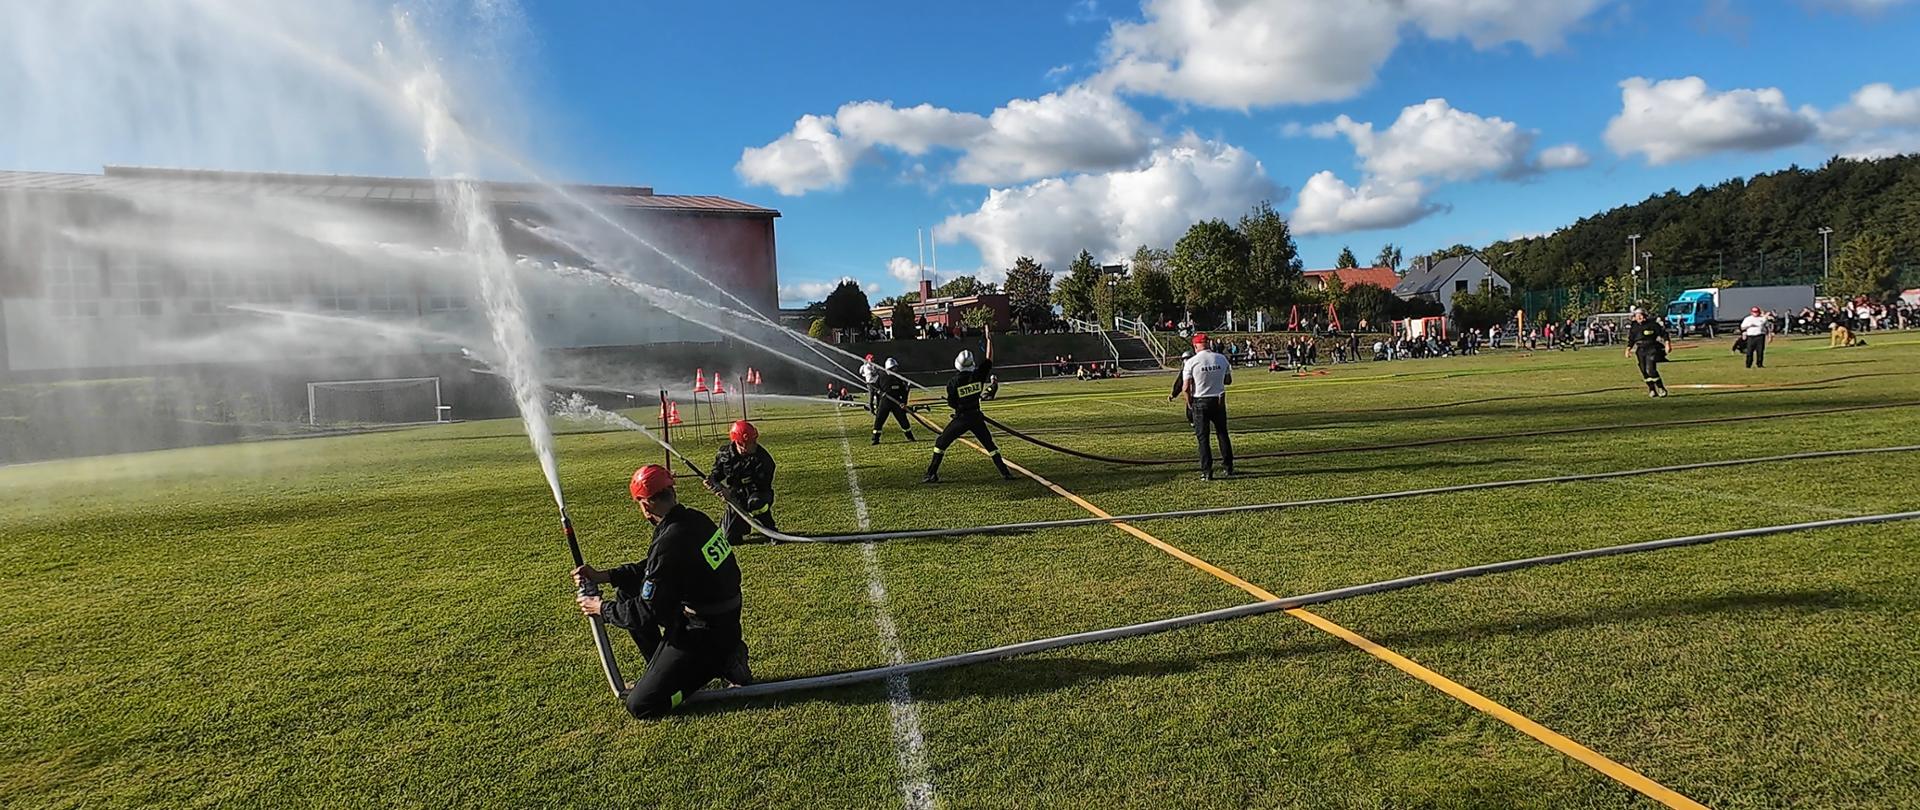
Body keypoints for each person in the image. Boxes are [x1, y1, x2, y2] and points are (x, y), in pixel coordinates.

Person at [573, 464, 749, 719]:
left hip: (706, 634)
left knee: (641, 705)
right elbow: (656, 569)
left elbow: (645, 612)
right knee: (627, 591)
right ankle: (667, 668)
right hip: (718, 619)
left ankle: (718, 666)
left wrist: (600, 608)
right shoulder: (693, 520)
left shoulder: (670, 540)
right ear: (672, 494)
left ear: (645, 505)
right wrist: (606, 576)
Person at [924, 324, 1014, 484]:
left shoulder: (953, 382)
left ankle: (932, 473)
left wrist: (956, 406)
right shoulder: (978, 375)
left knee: (940, 443)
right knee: (990, 445)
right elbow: (989, 359)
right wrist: (988, 340)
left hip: (961, 418)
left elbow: (952, 402)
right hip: (976, 416)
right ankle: (1005, 473)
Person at [1173, 333, 1234, 479]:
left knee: (1203, 438)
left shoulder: (1191, 362)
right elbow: (1228, 380)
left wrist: (1189, 404)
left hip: (1200, 400)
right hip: (1218, 400)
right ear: (1209, 344)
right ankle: (1228, 466)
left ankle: (1207, 471)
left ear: (1195, 346)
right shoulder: (1221, 358)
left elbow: (1185, 387)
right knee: (1222, 434)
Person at [707, 420, 777, 545]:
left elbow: (762, 485)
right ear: (740, 443)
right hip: (736, 497)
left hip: (757, 493)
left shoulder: (763, 459)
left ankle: (771, 530)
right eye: (751, 443)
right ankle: (740, 528)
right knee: (728, 538)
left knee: (756, 503)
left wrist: (731, 494)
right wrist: (717, 487)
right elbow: (714, 476)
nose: (755, 445)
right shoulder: (725, 455)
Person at [1624, 308, 1672, 397]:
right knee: (1643, 370)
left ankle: (1661, 387)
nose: (1639, 317)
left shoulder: (1653, 324)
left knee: (1650, 369)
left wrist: (1667, 344)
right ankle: (1652, 389)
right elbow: (1631, 339)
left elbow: (1664, 334)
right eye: (1637, 315)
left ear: (1645, 316)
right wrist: (1628, 349)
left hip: (1652, 348)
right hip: (1640, 350)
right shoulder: (1634, 326)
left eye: (1641, 315)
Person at [871, 358, 915, 444]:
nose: (896, 369)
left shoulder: (898, 378)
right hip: (885, 402)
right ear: (889, 368)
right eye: (894, 368)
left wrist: (904, 403)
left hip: (897, 402)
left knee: (903, 420)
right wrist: (879, 392)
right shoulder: (881, 376)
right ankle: (875, 439)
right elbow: (874, 387)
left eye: (896, 368)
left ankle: (910, 437)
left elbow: (903, 392)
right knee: (879, 420)